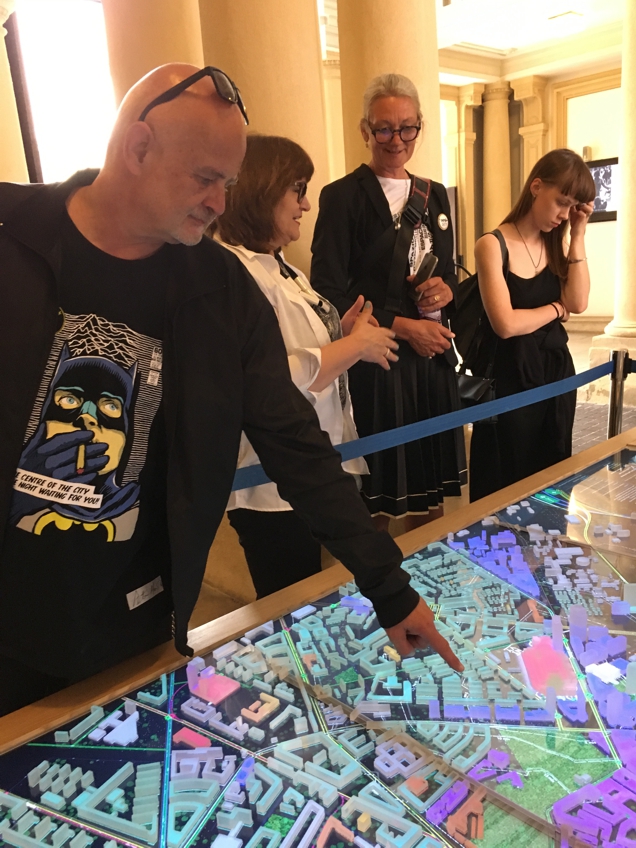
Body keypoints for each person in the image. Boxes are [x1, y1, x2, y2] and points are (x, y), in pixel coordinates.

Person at [0, 64, 462, 716]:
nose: (220, 203)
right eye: (204, 178)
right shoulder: (12, 234)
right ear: (138, 147)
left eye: (230, 182)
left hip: (131, 620)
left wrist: (390, 590)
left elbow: (295, 443)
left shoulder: (220, 290)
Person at [212, 134, 398, 597]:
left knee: (319, 593)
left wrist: (343, 332)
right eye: (297, 190)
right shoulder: (230, 272)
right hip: (271, 481)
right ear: (262, 190)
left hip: (315, 463)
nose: (306, 204)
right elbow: (265, 382)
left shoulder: (279, 265)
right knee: (290, 603)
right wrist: (353, 347)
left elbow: (295, 344)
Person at [311, 73, 466, 534]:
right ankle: (379, 575)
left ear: (419, 127)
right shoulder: (342, 197)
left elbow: (448, 270)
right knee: (379, 496)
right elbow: (328, 292)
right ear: (365, 130)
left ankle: (430, 568)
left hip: (430, 361)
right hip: (379, 362)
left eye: (406, 128)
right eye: (383, 129)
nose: (396, 140)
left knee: (431, 488)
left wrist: (447, 290)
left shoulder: (435, 195)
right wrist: (402, 326)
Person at [468, 148, 595, 502]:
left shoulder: (557, 244)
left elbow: (578, 303)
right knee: (506, 480)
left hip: (555, 373)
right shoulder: (492, 245)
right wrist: (555, 308)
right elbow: (506, 323)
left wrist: (578, 234)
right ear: (536, 187)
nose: (564, 214)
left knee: (552, 480)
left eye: (573, 206)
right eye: (561, 202)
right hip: (511, 376)